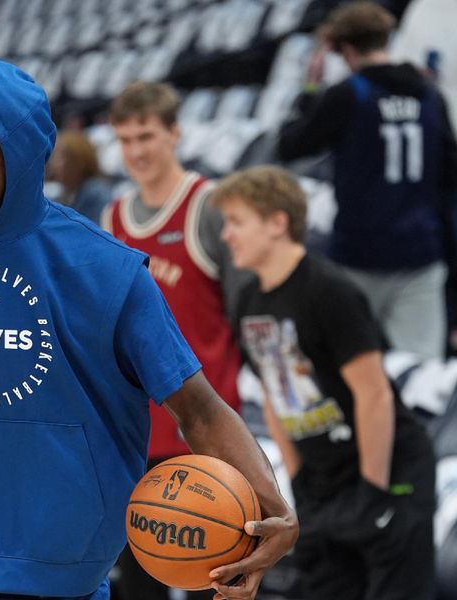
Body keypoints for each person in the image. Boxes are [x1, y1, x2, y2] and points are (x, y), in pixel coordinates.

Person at [0, 59, 297, 600]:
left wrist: (271, 505)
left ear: (17, 156)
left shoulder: (105, 270)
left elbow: (198, 408)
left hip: (60, 575)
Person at [213, 165, 436, 600]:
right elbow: (275, 399)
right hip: (321, 483)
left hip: (387, 473)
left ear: (278, 222)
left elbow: (374, 394)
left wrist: (373, 490)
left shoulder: (328, 289)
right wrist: (297, 482)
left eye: (237, 222)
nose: (227, 235)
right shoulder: (247, 302)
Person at [102, 81, 249, 599]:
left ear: (175, 133)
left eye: (146, 136)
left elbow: (248, 314)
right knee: (141, 583)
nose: (136, 151)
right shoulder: (111, 219)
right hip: (137, 437)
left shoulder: (209, 207)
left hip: (205, 434)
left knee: (224, 580)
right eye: (125, 139)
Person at [277, 1, 457, 361]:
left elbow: (289, 145)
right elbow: (450, 184)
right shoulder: (430, 96)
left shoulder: (347, 94)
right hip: (420, 260)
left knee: (349, 379)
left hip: (358, 260)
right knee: (416, 384)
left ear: (345, 50)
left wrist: (310, 89)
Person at [47, 129, 113, 225]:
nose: (55, 164)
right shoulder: (65, 193)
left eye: (61, 157)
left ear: (79, 162)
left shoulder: (95, 192)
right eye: (55, 157)